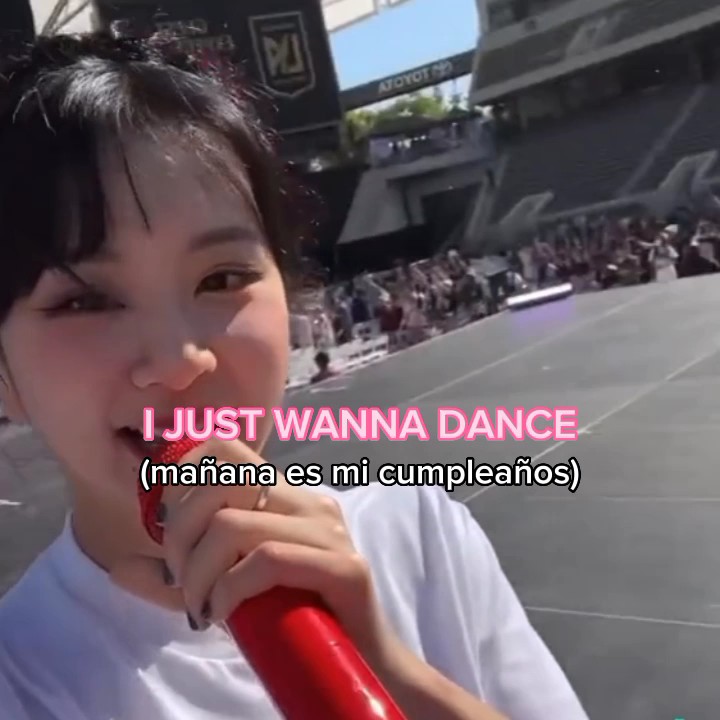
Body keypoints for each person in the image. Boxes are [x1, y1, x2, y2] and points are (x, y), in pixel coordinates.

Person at [0, 32, 589, 720]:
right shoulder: (19, 679)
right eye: (85, 301)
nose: (181, 359)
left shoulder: (421, 539)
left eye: (223, 278)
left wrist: (388, 669)